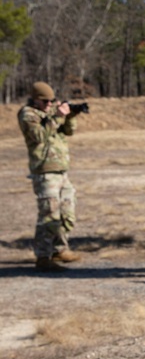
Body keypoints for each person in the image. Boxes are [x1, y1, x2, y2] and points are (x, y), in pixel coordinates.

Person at [17, 81, 84, 272]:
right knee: (49, 215)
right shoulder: (27, 114)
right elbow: (38, 136)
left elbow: (68, 131)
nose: (49, 104)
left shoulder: (50, 112)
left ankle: (60, 248)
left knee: (67, 214)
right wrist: (56, 115)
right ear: (35, 99)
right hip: (45, 172)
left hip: (62, 171)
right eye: (44, 101)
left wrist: (70, 116)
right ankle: (43, 256)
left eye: (51, 101)